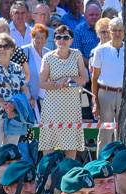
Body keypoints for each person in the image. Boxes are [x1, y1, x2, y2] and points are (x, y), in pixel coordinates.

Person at [38, 25, 86, 158]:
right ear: (54, 40)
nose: (62, 40)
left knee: (71, 148)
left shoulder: (77, 54)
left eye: (65, 37)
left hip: (71, 106)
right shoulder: (48, 57)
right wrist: (56, 84)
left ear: (71, 40)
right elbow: (41, 83)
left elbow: (83, 79)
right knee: (49, 148)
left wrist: (69, 78)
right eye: (58, 37)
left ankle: (68, 176)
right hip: (52, 106)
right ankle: (47, 177)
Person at [0, 33, 30, 158]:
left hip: (14, 115)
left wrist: (14, 106)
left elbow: (24, 89)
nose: (2, 49)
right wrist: (5, 105)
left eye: (6, 46)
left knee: (11, 153)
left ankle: (7, 177)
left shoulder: (18, 68)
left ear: (12, 49)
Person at [90, 16, 123, 151]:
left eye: (120, 30)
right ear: (109, 31)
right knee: (105, 133)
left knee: (121, 132)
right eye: (114, 30)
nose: (117, 33)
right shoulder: (100, 50)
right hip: (105, 93)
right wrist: (95, 101)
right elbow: (94, 77)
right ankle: (101, 165)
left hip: (123, 93)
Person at [24, 23, 50, 119]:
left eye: (43, 37)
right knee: (35, 127)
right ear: (32, 37)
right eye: (37, 37)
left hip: (47, 97)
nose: (40, 40)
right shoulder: (24, 51)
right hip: (31, 98)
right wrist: (29, 96)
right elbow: (21, 77)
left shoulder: (48, 52)